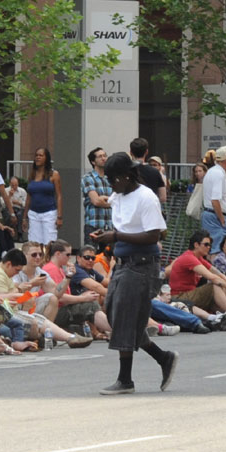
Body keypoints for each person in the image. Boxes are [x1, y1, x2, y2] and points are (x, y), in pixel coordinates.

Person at [88, 151, 178, 395]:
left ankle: (125, 379)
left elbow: (154, 234)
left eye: (114, 179)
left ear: (128, 176)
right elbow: (124, 226)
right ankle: (163, 357)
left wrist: (116, 236)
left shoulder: (146, 197)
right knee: (115, 313)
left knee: (125, 316)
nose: (110, 184)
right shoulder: (119, 195)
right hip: (123, 262)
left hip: (142, 264)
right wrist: (107, 235)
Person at [25, 147, 63, 246]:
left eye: (41, 155)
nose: (38, 157)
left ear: (46, 158)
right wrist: (24, 217)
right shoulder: (32, 174)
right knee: (34, 243)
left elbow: (59, 196)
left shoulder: (54, 174)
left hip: (49, 213)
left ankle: (48, 261)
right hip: (33, 213)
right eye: (36, 155)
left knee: (49, 242)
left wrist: (59, 216)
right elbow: (29, 197)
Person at [201, 145, 226, 253]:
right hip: (215, 216)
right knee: (216, 249)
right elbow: (215, 200)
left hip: (211, 214)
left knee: (211, 248)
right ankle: (215, 270)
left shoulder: (213, 171)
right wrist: (221, 219)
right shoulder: (219, 174)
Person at [81, 147, 113, 242]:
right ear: (93, 162)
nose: (104, 158)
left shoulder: (111, 177)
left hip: (110, 225)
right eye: (100, 156)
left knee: (110, 256)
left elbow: (119, 198)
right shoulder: (88, 178)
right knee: (92, 255)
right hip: (94, 224)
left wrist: (104, 199)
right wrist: (114, 201)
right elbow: (96, 201)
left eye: (105, 155)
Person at [129, 138, 168, 202]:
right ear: (146, 152)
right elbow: (163, 198)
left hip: (129, 209)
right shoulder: (155, 172)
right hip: (149, 209)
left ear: (130, 152)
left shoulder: (124, 171)